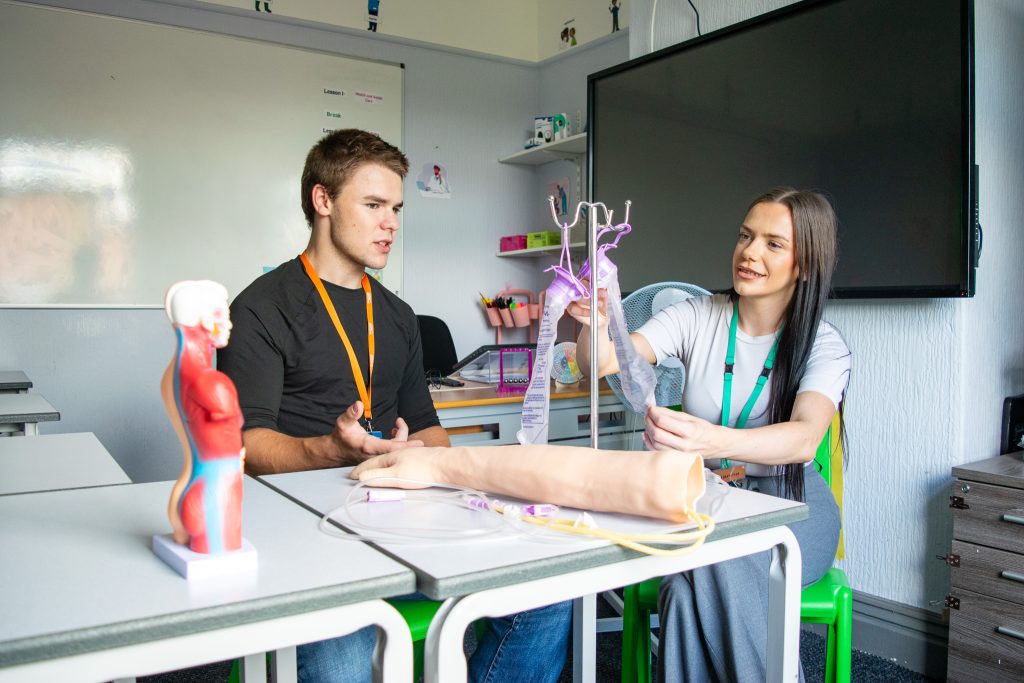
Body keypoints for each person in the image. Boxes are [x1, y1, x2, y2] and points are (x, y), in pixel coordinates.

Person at [351, 187, 850, 682]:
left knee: (713, 558)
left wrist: (709, 440)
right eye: (745, 236)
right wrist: (599, 321)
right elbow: (602, 363)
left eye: (772, 244)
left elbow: (804, 439)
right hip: (706, 494)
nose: (750, 252)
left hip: (792, 501)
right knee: (696, 573)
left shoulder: (823, 344)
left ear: (804, 264)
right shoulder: (698, 315)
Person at [218, 128, 571, 683]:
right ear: (323, 201)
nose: (392, 224)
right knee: (346, 662)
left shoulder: (399, 315)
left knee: (547, 592)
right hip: (307, 524)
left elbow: (430, 429)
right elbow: (245, 447)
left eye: (398, 208)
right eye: (375, 205)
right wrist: (331, 448)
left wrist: (420, 456)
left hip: (400, 510)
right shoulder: (262, 308)